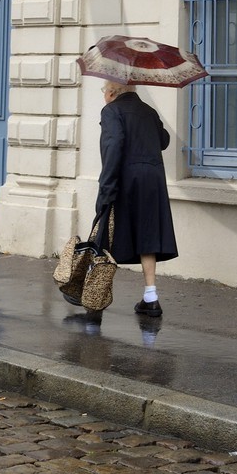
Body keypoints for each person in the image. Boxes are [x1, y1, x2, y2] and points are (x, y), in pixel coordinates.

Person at [94, 80, 178, 316]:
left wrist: (106, 188)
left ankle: (93, 295)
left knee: (104, 234)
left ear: (111, 92)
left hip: (124, 180)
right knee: (147, 234)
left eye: (104, 91)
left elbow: (113, 146)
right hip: (152, 181)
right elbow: (163, 140)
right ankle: (150, 297)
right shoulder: (148, 111)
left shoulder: (111, 110)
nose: (104, 96)